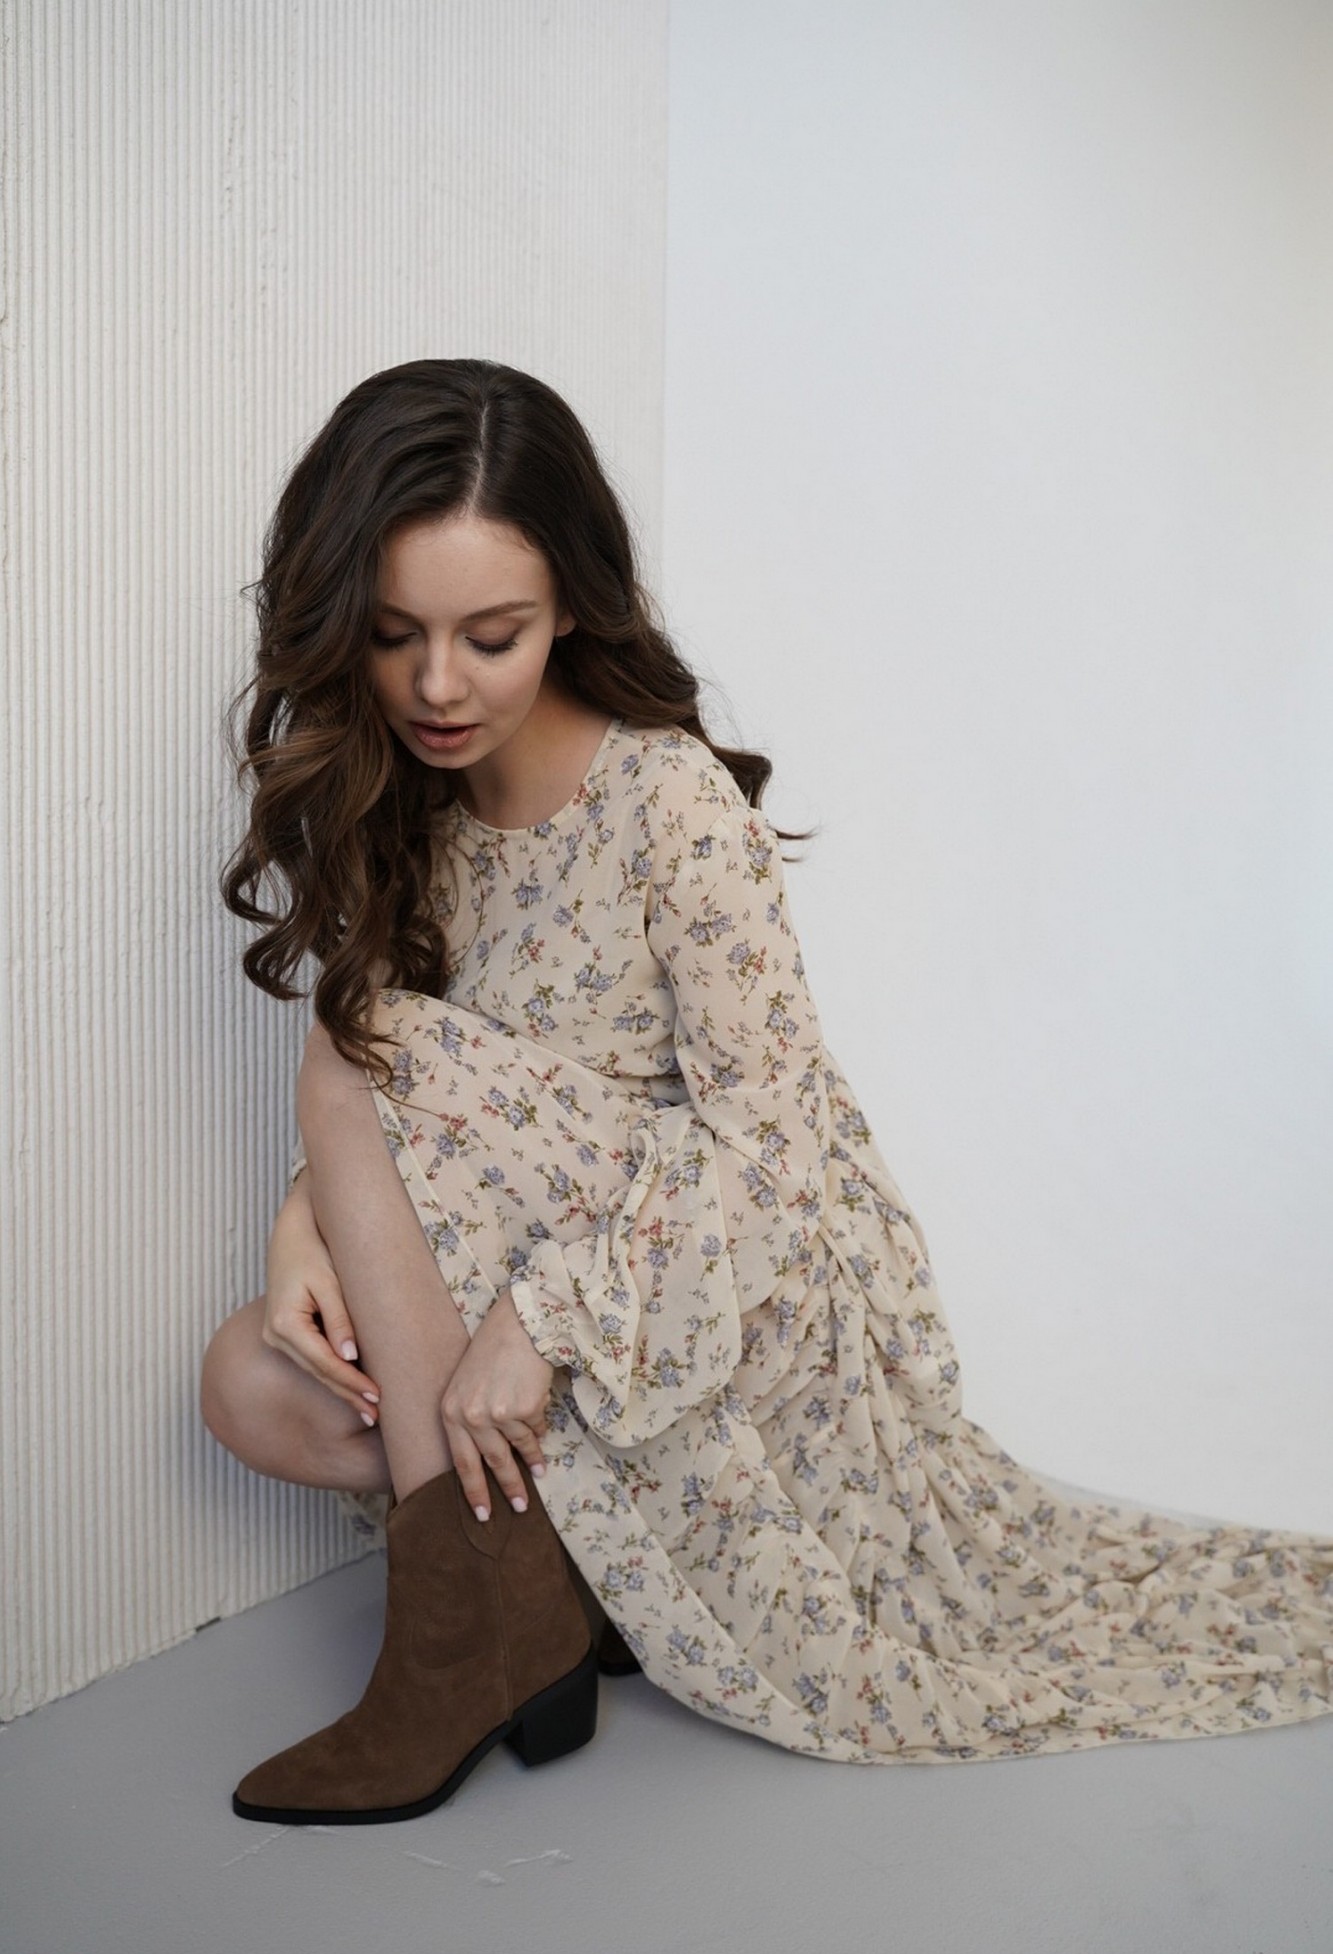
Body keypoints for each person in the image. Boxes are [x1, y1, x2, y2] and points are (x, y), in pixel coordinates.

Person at [201, 358, 1332, 1827]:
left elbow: (769, 1151)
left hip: (716, 1293)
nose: (435, 686)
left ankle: (463, 1638)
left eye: (492, 636)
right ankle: (549, 1592)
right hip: (541, 1278)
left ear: (572, 608)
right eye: (392, 633)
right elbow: (450, 1117)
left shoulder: (668, 804)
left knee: (351, 1044)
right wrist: (309, 1223)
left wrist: (543, 1322)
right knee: (245, 1381)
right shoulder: (408, 805)